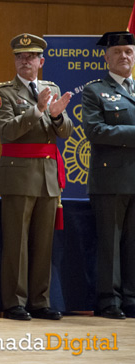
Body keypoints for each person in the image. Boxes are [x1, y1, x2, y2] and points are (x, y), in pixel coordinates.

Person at [0, 33, 72, 321]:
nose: (25, 61)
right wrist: (37, 109)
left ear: (41, 61)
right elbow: (8, 131)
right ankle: (15, 302)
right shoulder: (2, 92)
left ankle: (40, 301)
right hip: (18, 175)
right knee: (16, 243)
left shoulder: (51, 88)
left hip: (48, 176)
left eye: (31, 56)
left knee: (43, 242)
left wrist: (59, 116)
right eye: (20, 57)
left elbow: (64, 132)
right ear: (14, 60)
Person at [82, 31, 135, 319]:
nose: (124, 56)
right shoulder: (95, 91)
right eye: (118, 52)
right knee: (110, 244)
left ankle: (130, 297)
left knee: (132, 244)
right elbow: (96, 131)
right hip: (110, 180)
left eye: (128, 51)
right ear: (106, 57)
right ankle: (108, 300)